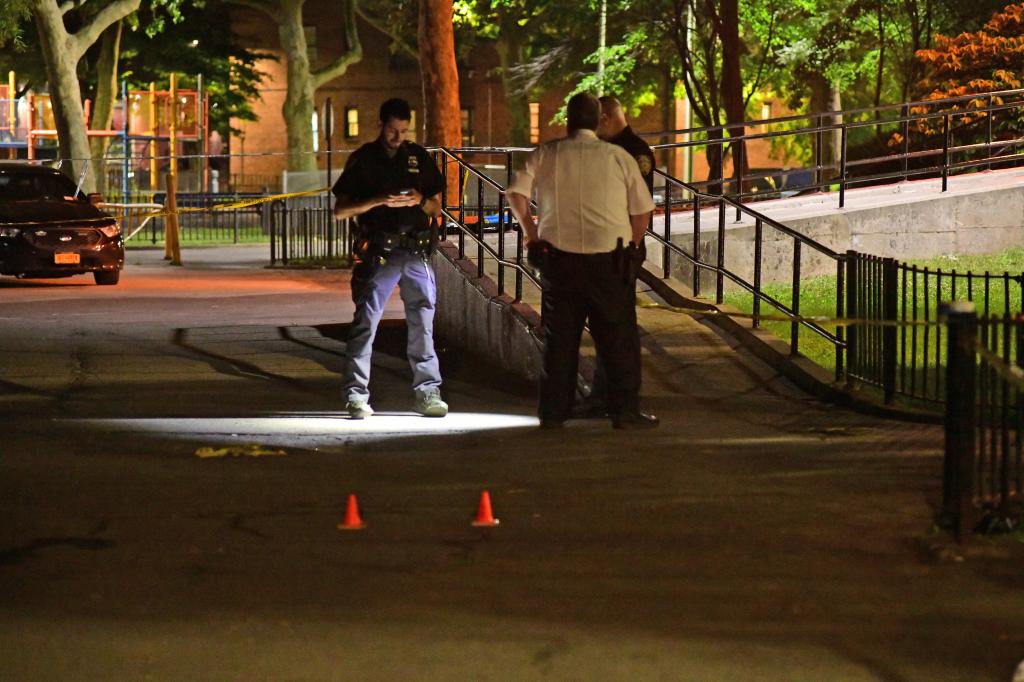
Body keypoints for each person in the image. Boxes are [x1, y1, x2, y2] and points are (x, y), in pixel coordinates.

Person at [507, 92, 658, 430]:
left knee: (560, 341)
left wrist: (531, 233)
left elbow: (516, 194)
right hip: (609, 260)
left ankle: (554, 411)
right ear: (597, 120)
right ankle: (624, 411)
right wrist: (632, 245)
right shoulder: (618, 157)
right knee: (618, 338)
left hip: (559, 261)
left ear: (569, 120)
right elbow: (643, 209)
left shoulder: (546, 154)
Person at [332, 98, 448, 419]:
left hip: (416, 250)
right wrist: (377, 200)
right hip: (379, 253)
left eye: (403, 131)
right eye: (393, 130)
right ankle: (356, 395)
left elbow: (437, 207)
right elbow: (341, 210)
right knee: (366, 323)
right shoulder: (364, 159)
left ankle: (427, 391)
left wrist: (418, 199)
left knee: (423, 322)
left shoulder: (418, 157)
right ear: (380, 125)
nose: (398, 137)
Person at [571, 94, 659, 418]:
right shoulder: (610, 150)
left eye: (596, 124)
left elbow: (641, 208)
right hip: (604, 248)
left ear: (606, 117)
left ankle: (622, 401)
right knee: (606, 325)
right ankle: (604, 395)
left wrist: (632, 248)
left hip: (620, 250)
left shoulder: (635, 152)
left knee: (620, 328)